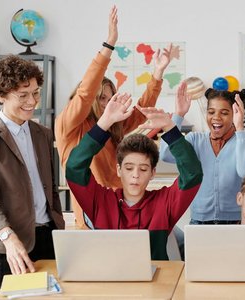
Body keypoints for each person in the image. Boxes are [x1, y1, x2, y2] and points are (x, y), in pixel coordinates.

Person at [55, 6, 172, 229]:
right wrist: (110, 43)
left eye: (110, 98)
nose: (108, 104)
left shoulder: (112, 126)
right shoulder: (70, 124)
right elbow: (86, 92)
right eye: (102, 99)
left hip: (120, 206)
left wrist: (157, 73)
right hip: (94, 214)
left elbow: (141, 111)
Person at [65, 82, 203, 260]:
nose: (135, 175)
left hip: (155, 284)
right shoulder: (101, 201)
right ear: (119, 170)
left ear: (153, 173)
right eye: (129, 168)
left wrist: (170, 129)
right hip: (112, 283)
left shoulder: (164, 203)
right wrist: (104, 124)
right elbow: (74, 167)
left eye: (143, 169)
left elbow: (192, 173)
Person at [0, 55, 65, 289]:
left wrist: (59, 223)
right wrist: (7, 237)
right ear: (0, 95)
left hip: (48, 237)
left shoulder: (42, 133)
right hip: (10, 246)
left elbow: (50, 185)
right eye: (22, 95)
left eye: (36, 93)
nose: (32, 101)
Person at [159, 87, 245, 224]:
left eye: (224, 113)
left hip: (235, 221)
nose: (216, 117)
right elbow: (165, 154)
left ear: (234, 115)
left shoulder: (244, 139)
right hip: (199, 222)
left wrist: (240, 127)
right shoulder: (195, 140)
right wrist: (179, 115)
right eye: (211, 112)